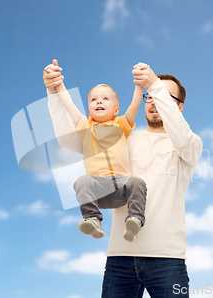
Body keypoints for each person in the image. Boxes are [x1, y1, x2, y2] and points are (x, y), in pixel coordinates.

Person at [43, 60, 203, 298]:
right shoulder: (123, 139)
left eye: (164, 96)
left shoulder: (188, 145)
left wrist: (154, 84)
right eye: (150, 95)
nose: (155, 100)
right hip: (119, 258)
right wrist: (53, 92)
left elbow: (181, 134)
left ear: (178, 107)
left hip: (167, 258)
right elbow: (70, 139)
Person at [44, 59, 148, 242]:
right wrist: (58, 85)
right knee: (81, 181)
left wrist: (140, 84)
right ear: (90, 110)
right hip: (97, 190)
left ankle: (135, 219)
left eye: (105, 98)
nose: (99, 101)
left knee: (137, 183)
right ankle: (92, 219)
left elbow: (135, 105)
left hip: (121, 186)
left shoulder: (121, 124)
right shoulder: (85, 126)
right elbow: (69, 105)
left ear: (116, 110)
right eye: (94, 99)